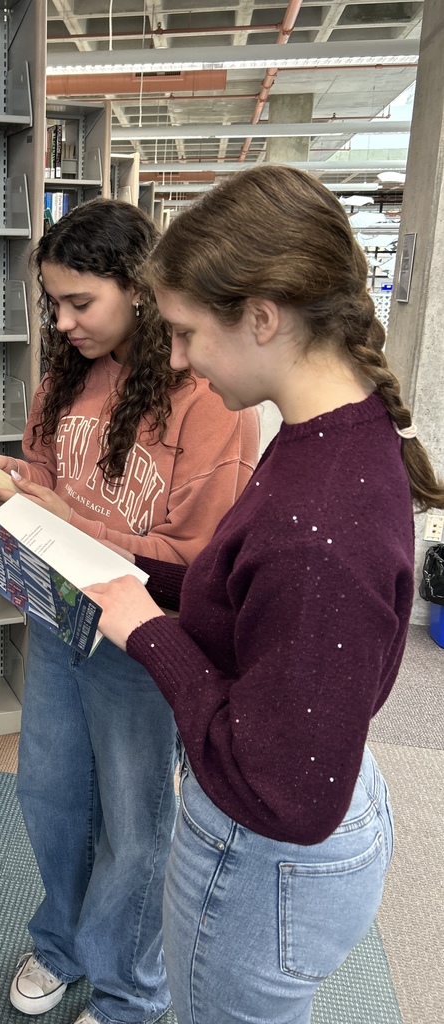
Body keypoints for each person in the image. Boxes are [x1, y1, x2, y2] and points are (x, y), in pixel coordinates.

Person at [83, 165, 444, 1024]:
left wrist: (147, 633)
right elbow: (254, 597)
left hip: (264, 859)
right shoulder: (333, 437)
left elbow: (283, 792)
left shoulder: (321, 522)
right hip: (313, 807)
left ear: (261, 316)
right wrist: (150, 578)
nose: (173, 360)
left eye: (183, 333)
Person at [0, 197, 260, 1024]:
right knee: (50, 797)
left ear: (138, 290)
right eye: (52, 303)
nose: (61, 322)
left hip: (139, 641)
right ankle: (61, 944)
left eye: (80, 302)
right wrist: (9, 486)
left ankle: (132, 991)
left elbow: (195, 564)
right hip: (56, 619)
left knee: (136, 825)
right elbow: (42, 474)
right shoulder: (65, 375)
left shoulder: (209, 399)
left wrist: (63, 517)